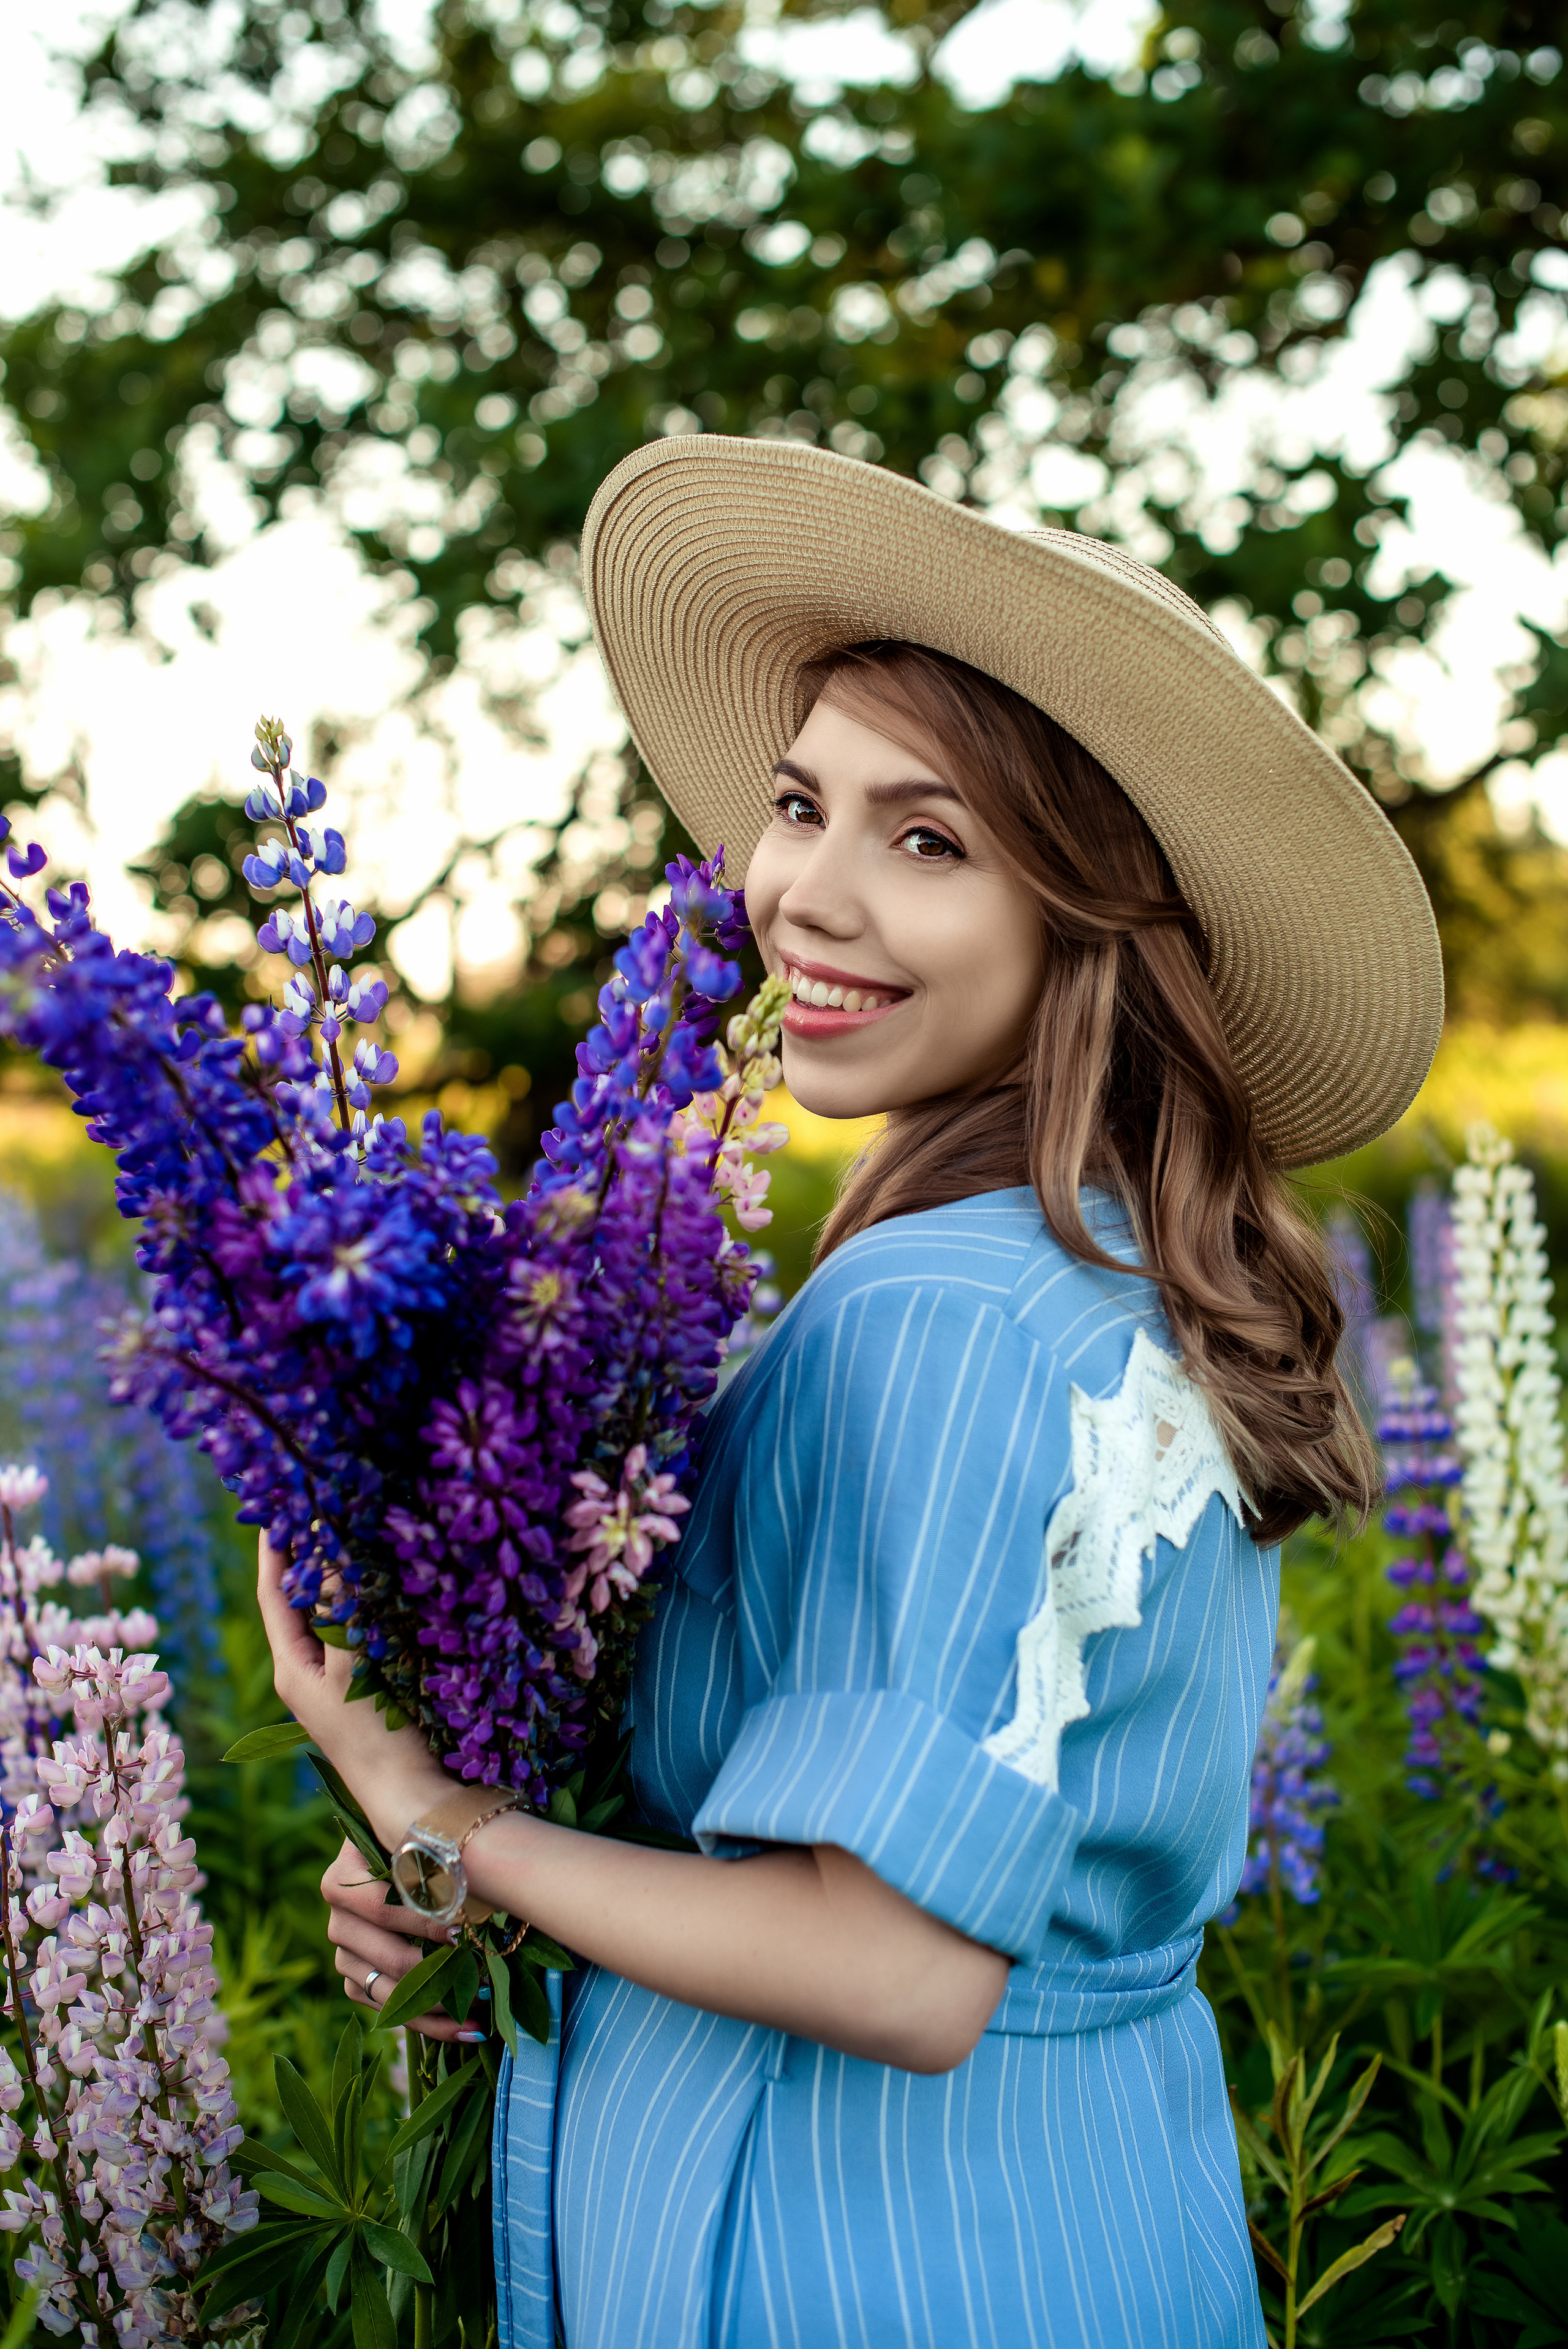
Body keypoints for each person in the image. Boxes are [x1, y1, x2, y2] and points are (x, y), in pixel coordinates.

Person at [259, 437, 1443, 2349]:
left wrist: (434, 1809)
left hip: (849, 2252)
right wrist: (506, 1874)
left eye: (931, 841)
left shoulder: (953, 1317)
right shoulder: (1099, 1272)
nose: (803, 891)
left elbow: (895, 1965)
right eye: (804, 804)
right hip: (1079, 2216)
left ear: (1087, 925)